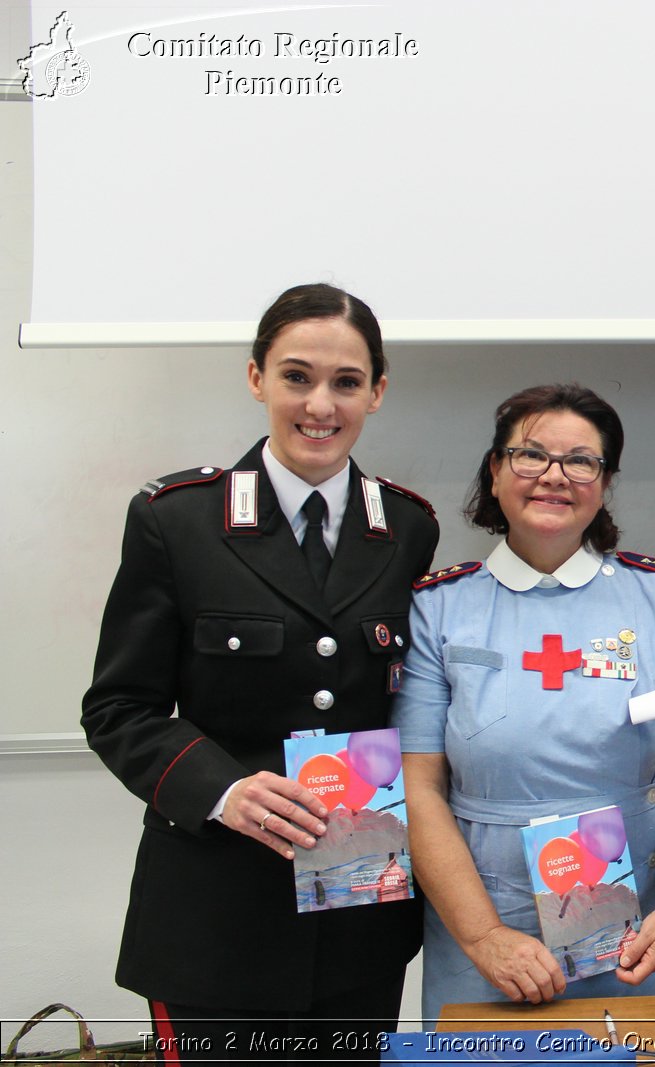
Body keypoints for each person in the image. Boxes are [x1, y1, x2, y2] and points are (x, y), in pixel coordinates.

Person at [81, 283, 438, 1060]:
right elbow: (119, 706)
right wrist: (224, 789)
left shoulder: (407, 528)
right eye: (296, 376)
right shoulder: (176, 519)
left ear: (377, 392)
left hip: (356, 916)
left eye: (346, 382)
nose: (321, 404)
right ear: (256, 378)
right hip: (214, 912)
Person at [394, 384, 655, 1024]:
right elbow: (418, 785)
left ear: (605, 481)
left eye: (580, 460)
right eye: (530, 455)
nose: (554, 476)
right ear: (494, 470)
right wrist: (485, 939)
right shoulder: (439, 606)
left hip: (631, 925)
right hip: (485, 926)